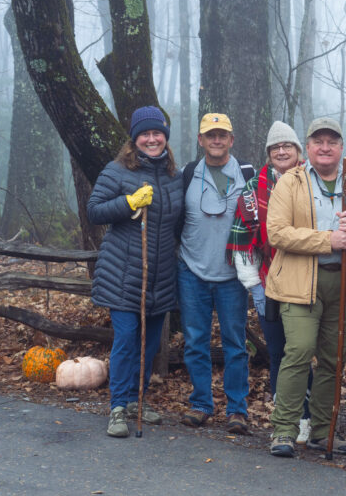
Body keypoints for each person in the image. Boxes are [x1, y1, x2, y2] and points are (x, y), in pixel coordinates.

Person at [265, 117, 346, 458]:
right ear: (309, 146)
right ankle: (284, 430)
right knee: (299, 352)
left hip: (343, 282)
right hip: (300, 280)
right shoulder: (291, 182)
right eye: (318, 141)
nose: (325, 147)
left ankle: (322, 430)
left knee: (334, 359)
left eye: (332, 141)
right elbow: (278, 232)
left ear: (341, 147)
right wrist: (326, 239)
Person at [87, 106, 183, 437]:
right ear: (135, 138)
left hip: (160, 275)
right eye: (146, 134)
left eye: (158, 134)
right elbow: (94, 211)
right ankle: (117, 407)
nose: (152, 139)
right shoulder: (115, 172)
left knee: (151, 342)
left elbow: (180, 223)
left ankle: (135, 402)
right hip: (123, 274)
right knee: (127, 339)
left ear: (165, 138)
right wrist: (129, 203)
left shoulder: (174, 175)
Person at [225, 120, 313, 443]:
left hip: (306, 280)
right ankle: (287, 419)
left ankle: (309, 415)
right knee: (279, 351)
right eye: (275, 147)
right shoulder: (254, 190)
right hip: (270, 282)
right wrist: (256, 289)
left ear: (297, 150)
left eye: (287, 145)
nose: (281, 151)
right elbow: (241, 242)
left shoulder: (311, 182)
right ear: (268, 153)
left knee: (301, 351)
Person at [178, 113, 253, 434]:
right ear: (201, 140)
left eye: (222, 135)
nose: (217, 140)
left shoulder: (248, 175)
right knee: (195, 341)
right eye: (211, 135)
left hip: (233, 275)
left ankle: (237, 410)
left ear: (231, 140)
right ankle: (201, 404)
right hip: (191, 269)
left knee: (235, 344)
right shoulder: (186, 174)